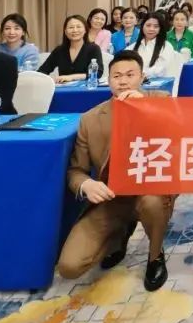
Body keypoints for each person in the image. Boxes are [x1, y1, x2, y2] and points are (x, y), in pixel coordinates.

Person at [57, 51, 175, 292]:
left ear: (142, 77)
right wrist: (86, 184)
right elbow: (76, 170)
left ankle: (155, 255)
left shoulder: (161, 100)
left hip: (151, 190)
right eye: (117, 76)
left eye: (130, 75)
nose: (123, 81)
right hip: (112, 195)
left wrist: (146, 108)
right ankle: (120, 232)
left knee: (152, 203)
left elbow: (183, 128)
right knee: (69, 266)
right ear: (108, 80)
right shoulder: (90, 119)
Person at [40, 14, 105, 83]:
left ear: (85, 30)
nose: (75, 30)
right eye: (71, 27)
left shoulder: (94, 48)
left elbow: (98, 73)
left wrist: (71, 77)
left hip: (87, 88)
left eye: (78, 27)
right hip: (64, 88)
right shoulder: (59, 50)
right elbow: (42, 71)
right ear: (65, 31)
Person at [133, 12, 176, 81]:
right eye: (148, 25)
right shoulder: (133, 46)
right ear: (142, 26)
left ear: (160, 29)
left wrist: (140, 75)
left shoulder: (167, 46)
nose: (151, 29)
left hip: (157, 84)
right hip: (135, 82)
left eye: (156, 26)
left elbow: (160, 69)